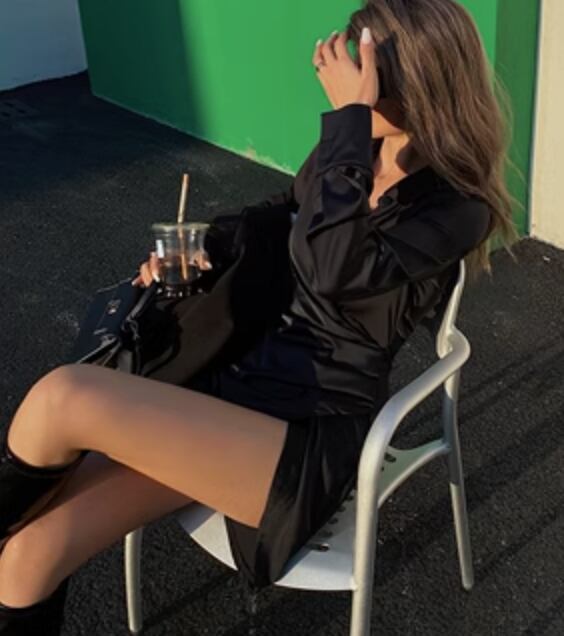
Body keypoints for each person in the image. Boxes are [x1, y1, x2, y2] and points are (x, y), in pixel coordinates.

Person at [0, 0, 517, 632]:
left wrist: (348, 127)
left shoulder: (457, 208)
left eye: (367, 73)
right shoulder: (349, 155)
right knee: (28, 556)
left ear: (419, 82)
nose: (350, 84)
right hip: (236, 385)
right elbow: (283, 213)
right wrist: (203, 247)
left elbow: (333, 269)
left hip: (306, 432)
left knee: (64, 397)